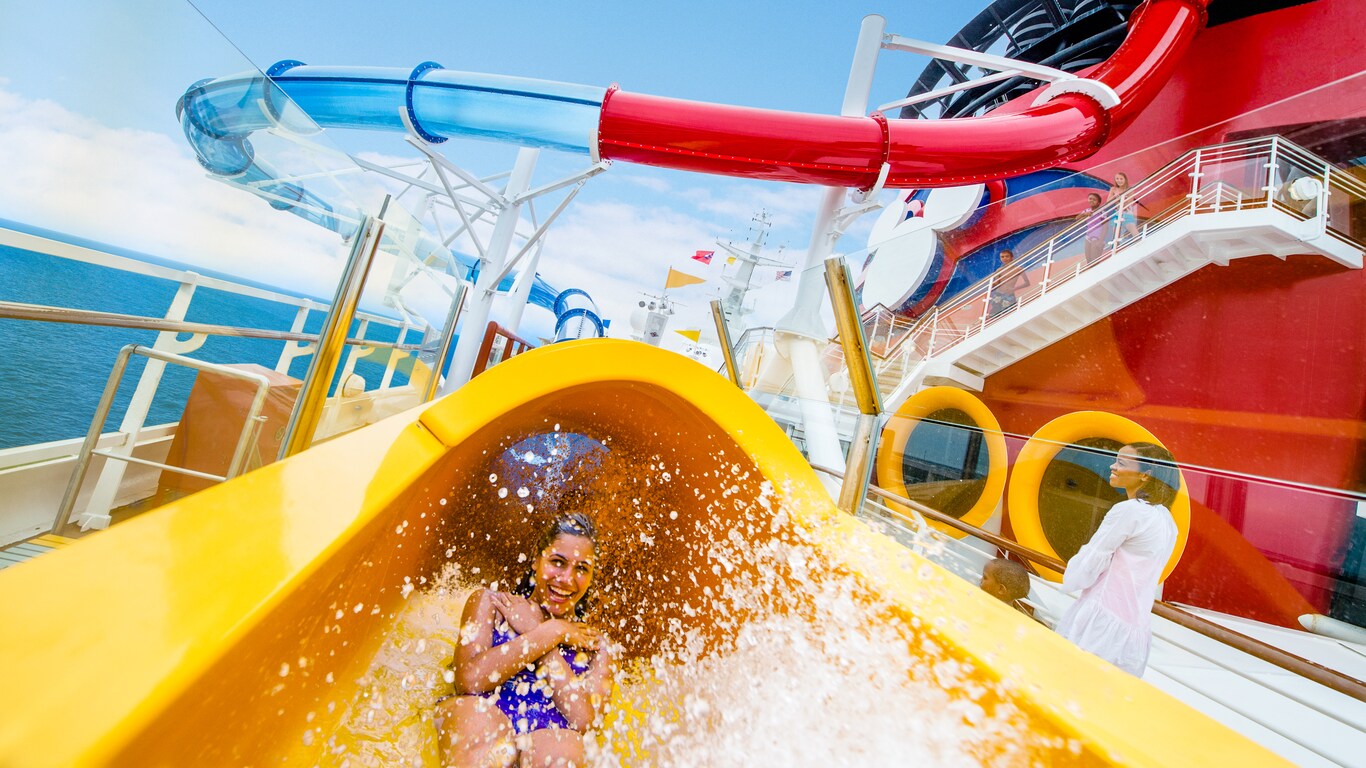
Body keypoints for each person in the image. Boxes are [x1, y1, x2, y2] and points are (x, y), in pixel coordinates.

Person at [436, 513, 615, 768]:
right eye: (558, 562)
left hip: (549, 741)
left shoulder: (595, 645)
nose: (566, 579)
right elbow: (470, 681)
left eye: (581, 569)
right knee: (479, 726)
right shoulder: (494, 604)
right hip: (480, 724)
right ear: (536, 559)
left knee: (561, 751)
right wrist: (550, 633)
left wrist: (545, 632)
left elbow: (585, 721)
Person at [1055, 443, 1180, 676]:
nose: (1112, 466)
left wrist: (1071, 580)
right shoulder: (1166, 520)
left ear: (1145, 475)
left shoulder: (1130, 510)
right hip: (1135, 629)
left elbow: (1093, 558)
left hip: (1102, 620)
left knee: (1070, 681)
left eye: (1122, 463)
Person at [988, 248, 1030, 318]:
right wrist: (990, 286)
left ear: (1012, 257)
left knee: (1009, 314)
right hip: (998, 294)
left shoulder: (1018, 269)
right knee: (994, 314)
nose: (1004, 258)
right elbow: (996, 283)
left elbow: (1027, 283)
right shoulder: (999, 270)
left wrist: (1014, 288)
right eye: (1002, 257)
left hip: (1009, 294)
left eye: (1007, 256)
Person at [1107, 172, 1148, 242]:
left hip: (1126, 213)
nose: (1119, 180)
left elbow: (1129, 203)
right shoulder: (1113, 189)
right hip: (1116, 213)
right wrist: (1115, 196)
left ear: (1125, 179)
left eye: (1121, 179)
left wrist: (1120, 198)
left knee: (1135, 234)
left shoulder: (1130, 189)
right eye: (1117, 178)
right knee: (1116, 236)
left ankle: (1142, 245)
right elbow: (1108, 202)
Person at [1081, 192, 1106, 265]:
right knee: (1088, 256)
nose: (1091, 200)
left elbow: (1105, 227)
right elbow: (1077, 218)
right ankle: (1090, 267)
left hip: (1097, 236)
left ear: (1098, 203)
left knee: (1094, 255)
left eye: (1094, 199)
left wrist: (1101, 240)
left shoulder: (1102, 212)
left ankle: (1094, 268)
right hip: (1088, 235)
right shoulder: (1087, 210)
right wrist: (1084, 214)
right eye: (1090, 199)